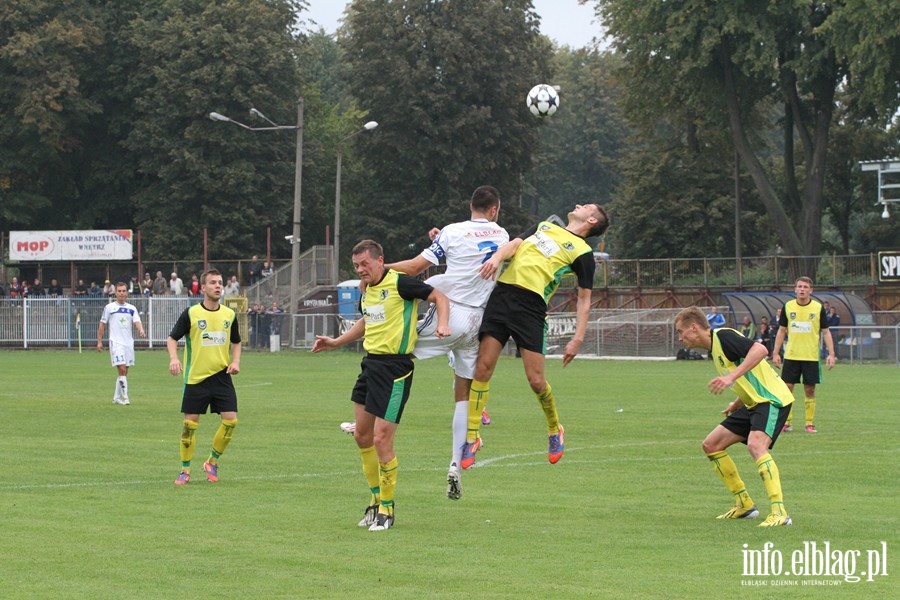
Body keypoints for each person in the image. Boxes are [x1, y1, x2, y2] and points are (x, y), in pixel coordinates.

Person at [347, 185, 509, 499]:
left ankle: (369, 417)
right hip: (476, 322)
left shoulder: (451, 231)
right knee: (462, 390)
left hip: (448, 313)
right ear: (495, 210)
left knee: (388, 346)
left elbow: (414, 268)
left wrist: (376, 272)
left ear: (471, 205)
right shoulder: (502, 236)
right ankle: (456, 461)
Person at [312, 240, 450, 531]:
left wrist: (443, 324)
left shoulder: (401, 284)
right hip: (370, 366)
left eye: (365, 264)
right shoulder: (367, 291)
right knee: (362, 437)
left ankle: (387, 508)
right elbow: (366, 321)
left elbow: (440, 297)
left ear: (379, 261)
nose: (361, 270)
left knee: (381, 439)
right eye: (356, 266)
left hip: (396, 369)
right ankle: (375, 502)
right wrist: (336, 342)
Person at [460, 203, 609, 469]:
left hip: (531, 307)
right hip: (502, 296)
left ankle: (554, 428)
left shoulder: (584, 253)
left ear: (592, 219)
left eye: (585, 206)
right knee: (482, 369)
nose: (577, 205)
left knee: (536, 381)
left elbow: (584, 299)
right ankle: (472, 437)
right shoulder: (544, 226)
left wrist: (578, 338)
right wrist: (496, 258)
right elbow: (514, 244)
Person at [674, 307, 794, 527]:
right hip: (752, 403)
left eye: (681, 332)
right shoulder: (715, 348)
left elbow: (760, 350)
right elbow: (749, 374)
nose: (680, 338)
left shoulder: (724, 336)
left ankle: (780, 512)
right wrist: (736, 402)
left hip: (771, 399)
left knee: (756, 445)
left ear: (694, 327)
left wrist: (730, 378)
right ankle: (744, 504)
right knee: (711, 445)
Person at [167, 269, 242, 485]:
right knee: (189, 425)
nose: (218, 286)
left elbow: (236, 341)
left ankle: (212, 462)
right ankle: (185, 470)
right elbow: (172, 339)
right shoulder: (191, 314)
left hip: (221, 376)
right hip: (196, 377)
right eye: (213, 283)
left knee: (231, 421)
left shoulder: (229, 315)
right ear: (203, 288)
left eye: (220, 282)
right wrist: (174, 358)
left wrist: (235, 361)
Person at [772, 277, 836, 433]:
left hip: (811, 357)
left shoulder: (817, 308)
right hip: (791, 356)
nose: (802, 289)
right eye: (799, 286)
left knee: (809, 390)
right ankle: (787, 422)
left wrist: (831, 354)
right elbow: (781, 331)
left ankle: (809, 423)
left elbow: (826, 331)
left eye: (805, 287)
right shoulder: (788, 307)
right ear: (795, 289)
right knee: (787, 388)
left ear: (811, 290)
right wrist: (775, 353)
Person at [97, 282, 146, 405]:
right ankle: (125, 398)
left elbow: (137, 321)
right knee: (122, 368)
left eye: (124, 291)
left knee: (124, 371)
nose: (121, 293)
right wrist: (99, 341)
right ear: (115, 293)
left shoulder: (131, 308)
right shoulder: (109, 308)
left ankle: (116, 398)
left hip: (128, 343)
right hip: (116, 342)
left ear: (127, 293)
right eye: (119, 291)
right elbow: (102, 324)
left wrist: (140, 329)